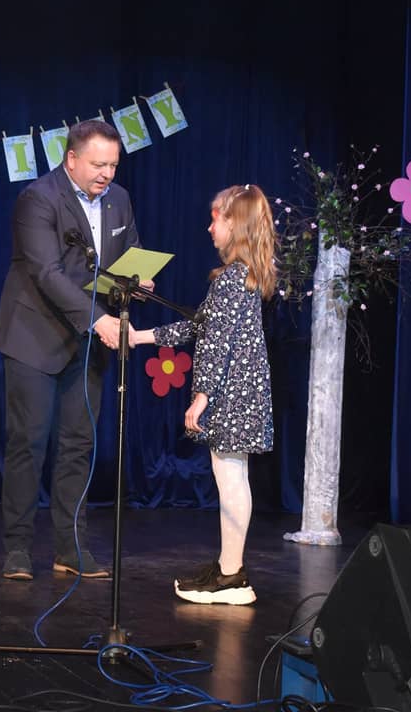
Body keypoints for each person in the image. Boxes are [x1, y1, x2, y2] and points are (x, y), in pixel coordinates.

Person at [0, 120, 151, 581]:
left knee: (78, 445)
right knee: (28, 443)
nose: (107, 174)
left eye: (113, 165)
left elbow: (128, 251)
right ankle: (18, 548)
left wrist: (136, 281)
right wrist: (99, 319)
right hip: (35, 336)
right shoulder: (38, 199)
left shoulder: (119, 199)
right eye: (99, 164)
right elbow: (47, 273)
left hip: (89, 341)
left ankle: (71, 547)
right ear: (72, 159)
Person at [130, 184, 276, 604]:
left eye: (216, 220)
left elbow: (216, 344)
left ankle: (232, 577)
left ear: (235, 224)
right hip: (240, 388)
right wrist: (139, 337)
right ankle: (230, 568)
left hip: (231, 391)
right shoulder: (243, 275)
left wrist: (202, 396)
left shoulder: (232, 278)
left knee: (230, 478)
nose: (209, 228)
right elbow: (200, 328)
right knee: (232, 476)